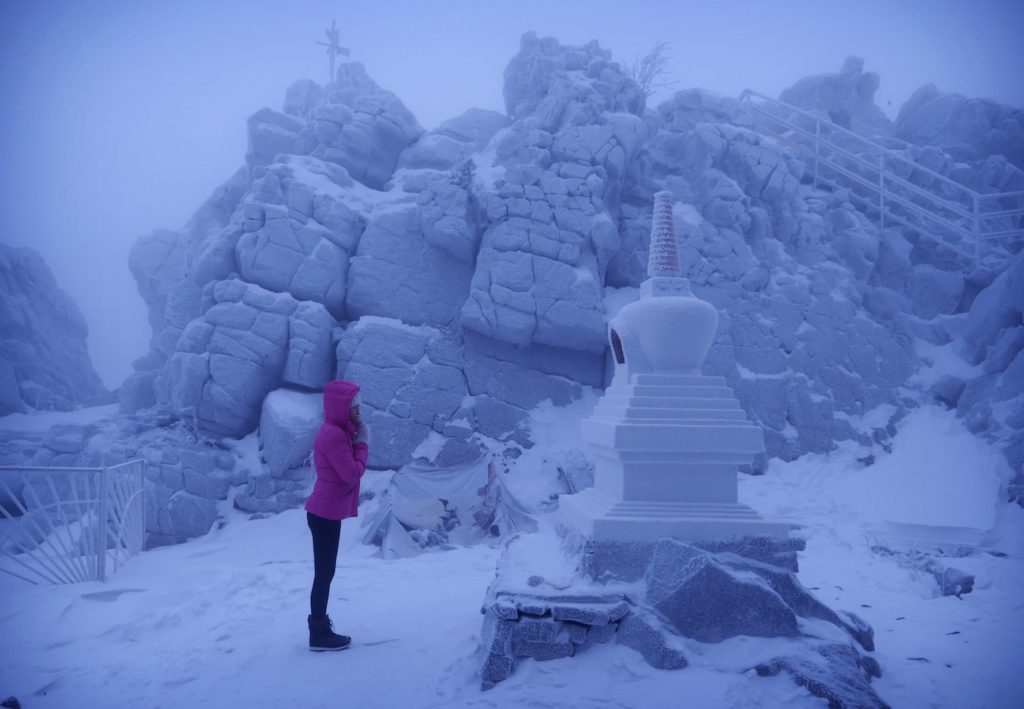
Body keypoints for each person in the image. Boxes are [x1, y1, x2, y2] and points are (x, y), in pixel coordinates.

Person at [304, 379, 370, 652]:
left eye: (359, 405)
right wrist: (363, 444)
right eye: (354, 406)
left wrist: (356, 436)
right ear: (340, 407)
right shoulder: (333, 435)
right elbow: (351, 474)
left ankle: (319, 627)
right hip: (324, 514)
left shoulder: (339, 431)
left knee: (325, 572)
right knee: (324, 573)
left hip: (326, 512)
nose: (358, 411)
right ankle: (318, 632)